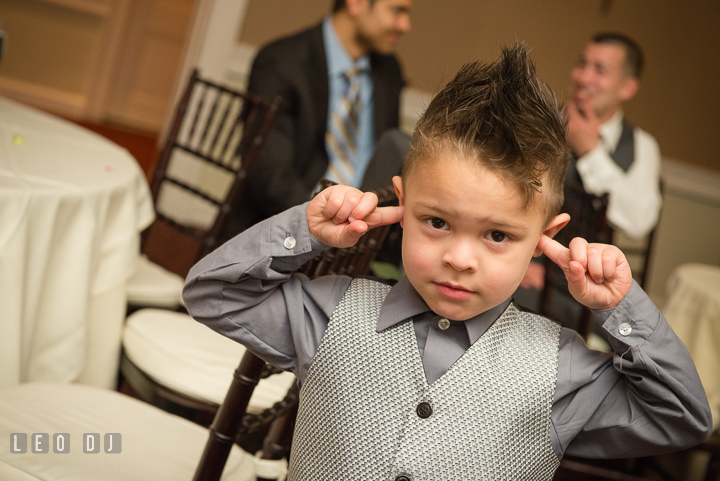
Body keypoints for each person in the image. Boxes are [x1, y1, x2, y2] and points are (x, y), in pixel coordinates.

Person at [183, 45, 710, 479]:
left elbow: (682, 419)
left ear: (543, 240)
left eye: (498, 235)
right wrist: (305, 230)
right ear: (402, 204)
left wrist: (621, 307)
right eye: (436, 223)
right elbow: (211, 293)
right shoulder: (329, 312)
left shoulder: (560, 370)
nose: (459, 259)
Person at [225, 0, 412, 237]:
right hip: (287, 225)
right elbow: (269, 174)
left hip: (364, 230)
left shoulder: (389, 70)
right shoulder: (280, 62)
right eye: (397, 11)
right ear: (357, 4)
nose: (405, 25)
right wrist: (322, 224)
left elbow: (388, 157)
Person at [566, 32, 662, 240]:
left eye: (600, 70)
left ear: (627, 88)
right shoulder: (541, 121)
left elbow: (639, 222)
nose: (583, 78)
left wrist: (591, 152)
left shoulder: (641, 145)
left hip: (591, 268)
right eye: (582, 64)